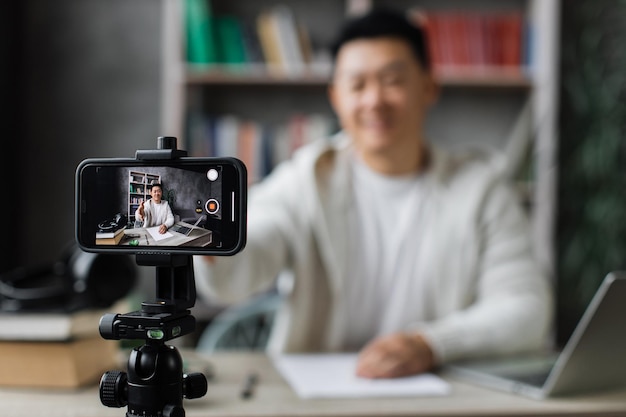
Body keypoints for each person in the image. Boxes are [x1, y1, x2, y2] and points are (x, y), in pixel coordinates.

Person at [194, 8, 553, 379]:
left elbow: (526, 309)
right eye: (357, 84)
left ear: (429, 86)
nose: (374, 100)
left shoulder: (482, 189)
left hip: (443, 395)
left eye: (392, 80)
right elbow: (241, 269)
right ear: (336, 96)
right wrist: (213, 245)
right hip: (316, 398)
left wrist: (430, 344)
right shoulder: (306, 178)